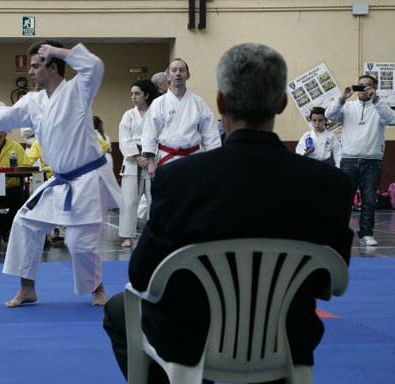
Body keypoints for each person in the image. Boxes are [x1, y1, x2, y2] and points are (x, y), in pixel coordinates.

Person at [103, 43, 354, 384]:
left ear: (220, 103)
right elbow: (331, 282)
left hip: (192, 338)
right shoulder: (330, 184)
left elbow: (143, 274)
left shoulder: (179, 181)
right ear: (282, 103)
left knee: (119, 310)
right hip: (286, 335)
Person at [0, 41, 121, 308]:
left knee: (78, 242)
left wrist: (56, 51)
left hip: (88, 179)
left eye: (36, 66)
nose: (31, 71)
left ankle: (97, 289)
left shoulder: (78, 90)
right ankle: (27, 289)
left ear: (53, 67)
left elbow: (94, 65)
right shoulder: (33, 102)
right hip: (60, 180)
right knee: (26, 222)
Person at [325, 74, 395, 247]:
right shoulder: (347, 107)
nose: (363, 88)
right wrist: (342, 98)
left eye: (367, 85)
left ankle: (366, 234)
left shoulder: (380, 107)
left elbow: (392, 119)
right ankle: (338, 234)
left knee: (369, 200)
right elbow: (329, 115)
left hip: (372, 162)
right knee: (344, 200)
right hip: (348, 160)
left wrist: (376, 100)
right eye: (360, 85)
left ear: (374, 89)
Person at [141, 58, 221, 178]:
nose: (178, 73)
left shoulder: (197, 102)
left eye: (182, 70)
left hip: (194, 158)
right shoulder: (158, 103)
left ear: (188, 75)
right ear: (168, 76)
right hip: (167, 159)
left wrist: (214, 160)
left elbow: (210, 133)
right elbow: (149, 133)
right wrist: (151, 162)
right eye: (174, 70)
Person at [117, 79, 157, 249]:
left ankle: (155, 234)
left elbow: (160, 136)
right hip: (132, 163)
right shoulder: (128, 115)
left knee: (154, 200)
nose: (133, 97)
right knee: (129, 201)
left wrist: (149, 156)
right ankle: (127, 236)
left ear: (146, 95)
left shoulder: (155, 113)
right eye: (132, 94)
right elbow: (124, 138)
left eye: (137, 93)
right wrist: (136, 156)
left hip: (153, 160)